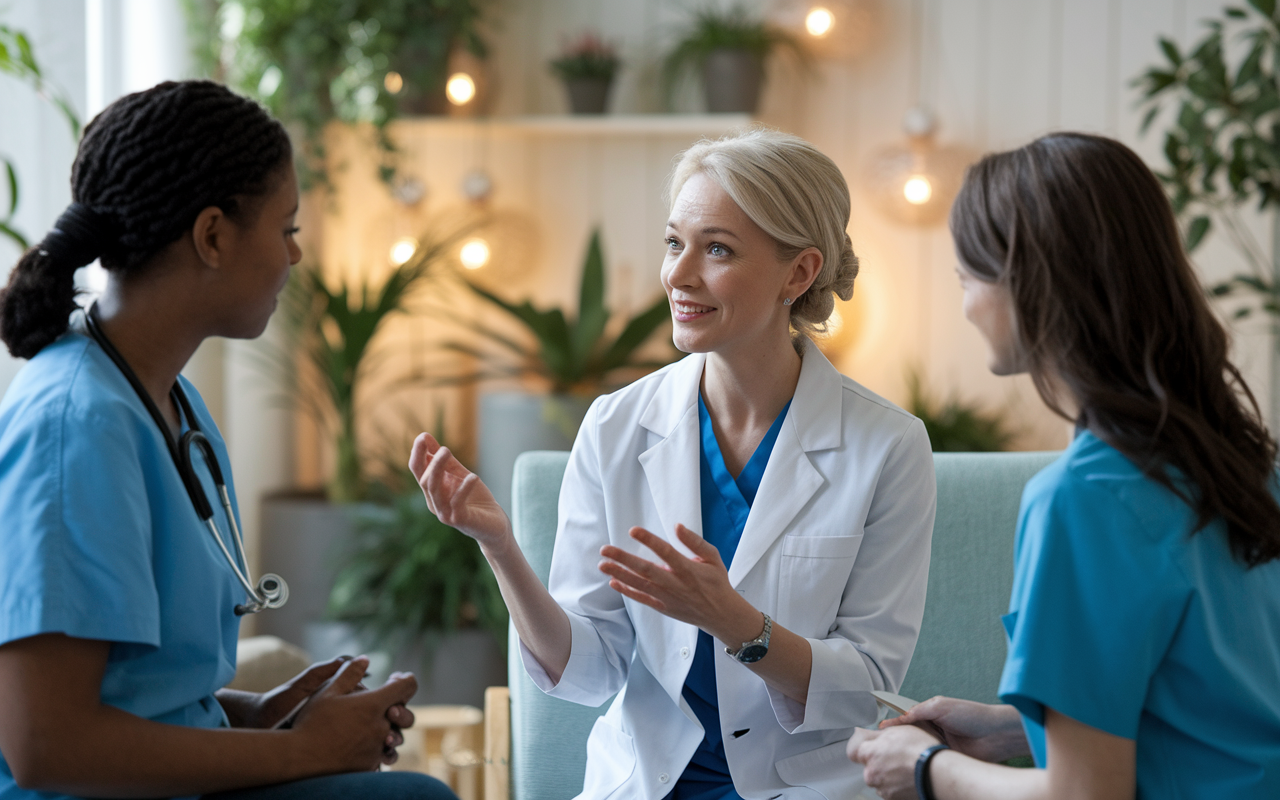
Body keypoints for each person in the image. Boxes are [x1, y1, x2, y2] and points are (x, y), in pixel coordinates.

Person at [411, 128, 937, 799]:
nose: (678, 275)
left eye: (717, 249)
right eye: (673, 242)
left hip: (807, 786)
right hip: (644, 783)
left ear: (799, 273)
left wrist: (736, 622)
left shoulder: (887, 446)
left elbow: (868, 689)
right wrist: (499, 545)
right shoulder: (616, 425)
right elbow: (588, 672)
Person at [0, 80, 454, 800]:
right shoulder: (75, 426)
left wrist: (264, 716)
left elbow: (142, 694)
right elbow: (47, 746)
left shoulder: (170, 403)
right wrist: (302, 754)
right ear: (212, 236)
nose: (294, 257)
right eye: (288, 229)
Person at [847, 133, 1280, 799]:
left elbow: (1084, 795)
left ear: (1026, 285)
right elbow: (1205, 706)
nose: (965, 306)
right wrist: (1010, 729)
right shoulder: (1245, 464)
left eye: (967, 280)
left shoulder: (1083, 499)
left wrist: (926, 770)